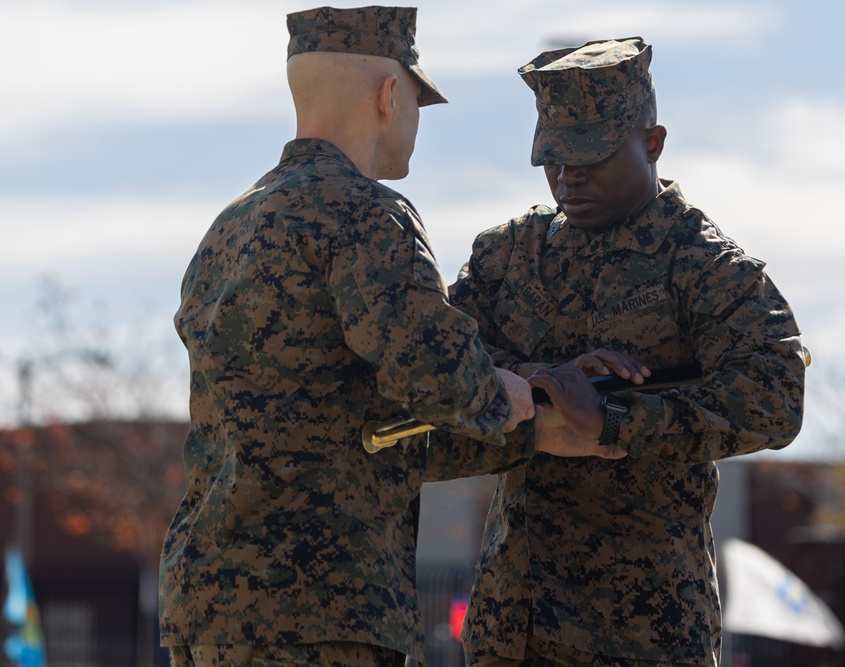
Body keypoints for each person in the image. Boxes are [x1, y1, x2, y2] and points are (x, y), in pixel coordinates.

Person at [157, 7, 618, 667]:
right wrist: (510, 392)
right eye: (418, 100)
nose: (416, 119)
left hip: (209, 604)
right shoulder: (367, 214)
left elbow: (344, 429)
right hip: (322, 607)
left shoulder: (229, 228)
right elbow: (438, 375)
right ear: (389, 94)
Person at [446, 37, 807, 666]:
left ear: (653, 142)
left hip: (645, 630)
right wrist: (542, 382)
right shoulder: (507, 255)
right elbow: (441, 361)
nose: (568, 176)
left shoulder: (702, 263)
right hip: (514, 622)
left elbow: (776, 394)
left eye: (591, 156)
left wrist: (617, 418)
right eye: (553, 158)